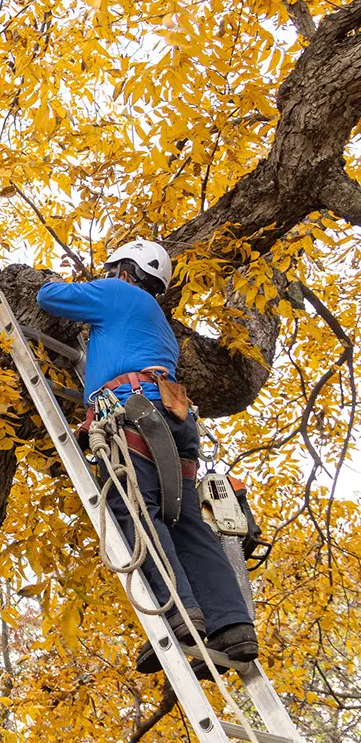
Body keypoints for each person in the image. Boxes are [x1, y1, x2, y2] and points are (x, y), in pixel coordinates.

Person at [35, 240, 259, 673]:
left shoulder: (118, 293)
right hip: (172, 418)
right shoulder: (157, 324)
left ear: (123, 268)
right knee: (187, 522)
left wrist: (48, 279)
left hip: (134, 412)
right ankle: (231, 625)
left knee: (137, 510)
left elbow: (50, 297)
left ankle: (178, 615)